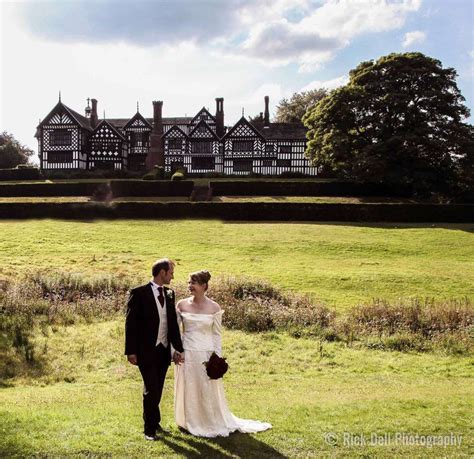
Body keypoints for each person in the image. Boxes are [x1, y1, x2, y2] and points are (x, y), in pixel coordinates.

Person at [174, 270, 272, 437]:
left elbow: (216, 334)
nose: (190, 286)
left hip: (206, 353)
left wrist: (217, 359)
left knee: (207, 388)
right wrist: (175, 351)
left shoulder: (214, 307)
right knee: (189, 387)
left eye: (193, 283)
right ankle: (190, 421)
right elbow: (176, 333)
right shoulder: (181, 305)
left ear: (204, 286)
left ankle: (209, 420)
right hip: (188, 353)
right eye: (189, 283)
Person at [125, 258, 185, 441]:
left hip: (163, 350)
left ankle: (154, 420)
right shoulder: (139, 293)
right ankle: (149, 429)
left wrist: (178, 348)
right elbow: (131, 324)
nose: (172, 276)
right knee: (151, 388)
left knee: (158, 387)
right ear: (162, 272)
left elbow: (173, 325)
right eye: (171, 272)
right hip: (145, 350)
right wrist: (131, 351)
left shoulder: (169, 294)